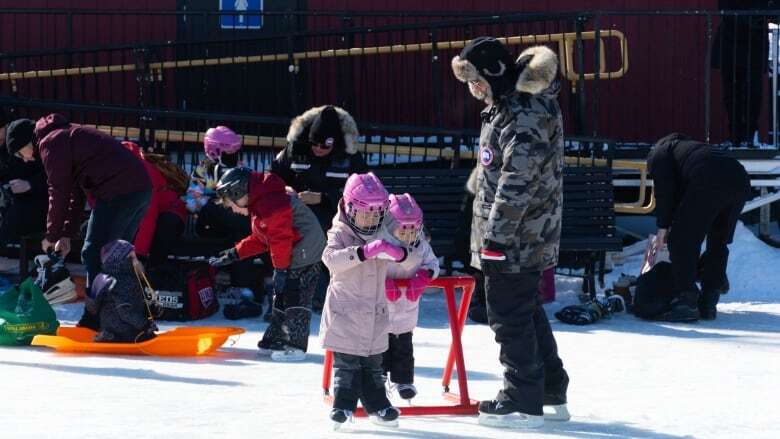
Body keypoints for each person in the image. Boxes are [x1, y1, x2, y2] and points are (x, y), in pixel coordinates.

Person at [451, 37, 569, 428]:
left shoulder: (523, 113)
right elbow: (495, 171)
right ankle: (549, 383)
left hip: (519, 236)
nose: (473, 90)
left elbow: (518, 179)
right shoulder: (505, 108)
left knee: (508, 315)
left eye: (476, 81)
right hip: (517, 232)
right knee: (525, 309)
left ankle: (521, 392)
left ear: (494, 76)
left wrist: (497, 238)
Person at [6, 114, 151, 307]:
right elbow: (75, 194)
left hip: (118, 190)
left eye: (19, 153)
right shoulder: (63, 136)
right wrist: (65, 234)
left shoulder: (51, 143)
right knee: (117, 254)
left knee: (93, 252)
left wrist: (51, 235)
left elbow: (58, 193)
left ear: (25, 142)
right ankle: (126, 312)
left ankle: (98, 314)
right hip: (140, 188)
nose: (24, 160)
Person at [209, 167, 325, 361]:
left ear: (239, 192)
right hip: (292, 247)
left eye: (231, 204)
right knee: (280, 293)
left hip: (305, 248)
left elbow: (280, 238)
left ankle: (294, 344)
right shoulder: (260, 203)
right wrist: (234, 254)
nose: (233, 210)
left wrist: (280, 269)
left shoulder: (271, 202)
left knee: (294, 294)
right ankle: (277, 337)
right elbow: (262, 238)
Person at [319, 172, 405, 429]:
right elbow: (330, 259)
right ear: (349, 207)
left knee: (373, 365)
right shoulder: (340, 232)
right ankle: (343, 405)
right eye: (364, 212)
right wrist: (361, 252)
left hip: (375, 314)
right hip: (345, 314)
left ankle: (378, 405)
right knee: (347, 366)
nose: (369, 218)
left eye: (375, 212)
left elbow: (410, 256)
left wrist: (397, 252)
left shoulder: (386, 230)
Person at [646, 133, 752, 321]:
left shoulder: (660, 153)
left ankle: (686, 301)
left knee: (682, 241)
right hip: (739, 179)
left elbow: (665, 191)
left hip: (709, 178)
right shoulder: (692, 149)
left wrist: (663, 227)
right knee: (718, 241)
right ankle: (709, 300)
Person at [272, 105, 368, 310]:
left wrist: (324, 198)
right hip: (296, 214)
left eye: (324, 146)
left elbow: (365, 192)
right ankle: (294, 293)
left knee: (323, 236)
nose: (317, 149)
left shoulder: (350, 158)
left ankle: (319, 291)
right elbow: (273, 178)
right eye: (314, 144)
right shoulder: (295, 150)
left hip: (335, 217)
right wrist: (286, 190)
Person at [188, 126, 269, 305]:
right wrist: (215, 199)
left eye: (235, 151)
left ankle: (242, 287)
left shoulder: (241, 170)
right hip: (209, 223)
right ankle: (246, 285)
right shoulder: (204, 170)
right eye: (228, 151)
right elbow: (192, 203)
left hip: (236, 224)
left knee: (244, 233)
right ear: (215, 151)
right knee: (242, 224)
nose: (233, 155)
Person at [382, 193, 439, 401]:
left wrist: (423, 277)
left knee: (404, 346)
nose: (408, 234)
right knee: (379, 345)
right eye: (403, 229)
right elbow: (369, 267)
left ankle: (404, 381)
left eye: (413, 229)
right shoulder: (382, 245)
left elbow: (433, 264)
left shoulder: (422, 246)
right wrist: (382, 283)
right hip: (381, 308)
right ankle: (377, 378)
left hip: (407, 307)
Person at [711, 0, 774, 146]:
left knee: (753, 91)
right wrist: (756, 17)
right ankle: (735, 136)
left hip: (754, 43)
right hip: (731, 41)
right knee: (732, 92)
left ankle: (750, 134)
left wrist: (760, 15)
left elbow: (774, 9)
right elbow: (725, 9)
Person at [121, 141, 188, 268]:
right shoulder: (115, 170)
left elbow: (148, 215)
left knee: (166, 227)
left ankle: (154, 275)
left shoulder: (145, 174)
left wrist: (139, 255)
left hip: (169, 212)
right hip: (140, 213)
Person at [85, 239, 160, 343]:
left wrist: (150, 308)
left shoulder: (123, 276)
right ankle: (115, 337)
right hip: (123, 330)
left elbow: (133, 303)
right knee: (148, 337)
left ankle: (110, 335)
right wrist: (145, 325)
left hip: (114, 328)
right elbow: (125, 311)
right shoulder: (121, 281)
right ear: (122, 261)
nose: (137, 261)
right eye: (132, 257)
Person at [0, 117, 48, 246]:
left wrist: (30, 184)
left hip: (38, 199)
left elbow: (54, 175)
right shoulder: (10, 146)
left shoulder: (23, 137)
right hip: (14, 198)